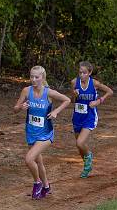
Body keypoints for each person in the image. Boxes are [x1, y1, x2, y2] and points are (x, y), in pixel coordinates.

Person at [14, 66, 71, 199]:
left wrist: (56, 111)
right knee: (38, 162)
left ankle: (37, 183)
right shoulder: (26, 91)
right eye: (31, 76)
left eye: (37, 77)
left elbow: (67, 100)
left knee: (29, 159)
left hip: (45, 133)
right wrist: (21, 107)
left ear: (42, 78)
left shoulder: (49, 92)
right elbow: (15, 109)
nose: (33, 79)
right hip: (31, 131)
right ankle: (46, 186)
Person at [71, 61, 113, 178]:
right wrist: (74, 94)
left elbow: (110, 91)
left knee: (80, 142)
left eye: (84, 73)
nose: (82, 75)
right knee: (79, 146)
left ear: (89, 73)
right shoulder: (74, 82)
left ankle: (89, 156)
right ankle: (87, 166)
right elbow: (72, 100)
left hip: (89, 117)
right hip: (77, 116)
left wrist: (99, 101)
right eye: (80, 72)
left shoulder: (94, 83)